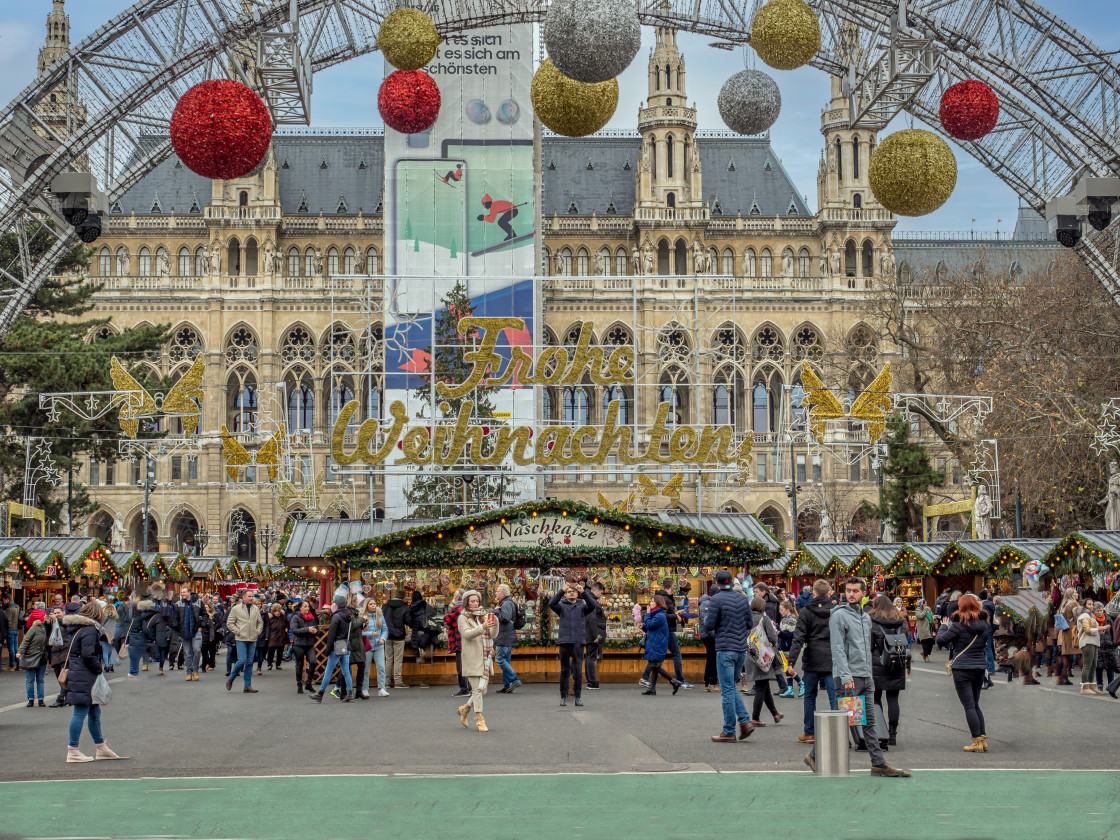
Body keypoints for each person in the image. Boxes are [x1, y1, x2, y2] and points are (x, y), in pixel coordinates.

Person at [805, 578, 910, 777]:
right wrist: (846, 676)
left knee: (868, 723)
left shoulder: (865, 618)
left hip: (865, 676)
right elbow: (837, 648)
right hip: (849, 677)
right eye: (848, 590)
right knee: (843, 722)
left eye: (855, 591)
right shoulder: (839, 616)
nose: (851, 594)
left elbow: (865, 649)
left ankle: (878, 763)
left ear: (864, 593)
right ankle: (815, 756)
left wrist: (869, 675)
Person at [63, 602, 125, 762]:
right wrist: (98, 669)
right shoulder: (90, 630)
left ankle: (100, 747)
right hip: (85, 674)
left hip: (78, 672)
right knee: (81, 711)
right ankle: (73, 749)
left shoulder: (78, 628)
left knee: (93, 711)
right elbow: (88, 654)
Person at [936, 593, 993, 752]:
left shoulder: (958, 625)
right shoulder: (984, 624)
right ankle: (983, 738)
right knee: (975, 704)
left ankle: (976, 741)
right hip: (979, 667)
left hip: (962, 667)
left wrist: (943, 627)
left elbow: (941, 641)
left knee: (968, 706)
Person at [701, 570, 754, 742]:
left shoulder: (716, 600)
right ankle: (744, 722)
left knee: (727, 690)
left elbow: (708, 625)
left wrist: (711, 615)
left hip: (725, 648)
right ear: (731, 582)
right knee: (731, 686)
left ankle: (729, 730)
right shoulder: (741, 598)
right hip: (740, 649)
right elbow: (749, 623)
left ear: (716, 584)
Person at [786, 579, 837, 745]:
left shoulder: (806, 611)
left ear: (813, 593)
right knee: (834, 696)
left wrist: (791, 661)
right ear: (829, 592)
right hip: (832, 656)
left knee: (809, 696)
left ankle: (810, 732)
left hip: (812, 656)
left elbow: (798, 638)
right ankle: (838, 731)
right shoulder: (836, 611)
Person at [869, 595, 910, 748]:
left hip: (877, 662)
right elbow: (906, 638)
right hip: (896, 661)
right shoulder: (900, 621)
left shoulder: (872, 621)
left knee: (875, 698)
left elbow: (869, 645)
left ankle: (880, 730)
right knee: (893, 699)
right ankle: (893, 733)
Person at [549, 581, 597, 706]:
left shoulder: (582, 606)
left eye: (574, 591)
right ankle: (563, 696)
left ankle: (578, 697)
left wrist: (584, 592)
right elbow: (551, 603)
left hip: (578, 642)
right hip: (564, 641)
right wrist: (561, 590)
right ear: (565, 594)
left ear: (577, 594)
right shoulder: (561, 606)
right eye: (569, 591)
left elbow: (594, 605)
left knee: (577, 672)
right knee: (564, 671)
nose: (571, 593)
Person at [457, 589, 497, 732]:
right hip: (472, 658)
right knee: (478, 690)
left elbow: (492, 634)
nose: (475, 604)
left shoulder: (483, 616)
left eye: (477, 601)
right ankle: (480, 720)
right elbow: (467, 634)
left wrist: (494, 622)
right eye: (472, 601)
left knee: (482, 691)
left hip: (485, 658)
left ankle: (465, 709)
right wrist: (482, 627)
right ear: (466, 602)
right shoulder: (462, 617)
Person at [742, 597, 784, 726]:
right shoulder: (764, 619)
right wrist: (775, 635)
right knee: (761, 687)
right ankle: (755, 717)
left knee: (763, 685)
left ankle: (775, 714)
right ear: (762, 607)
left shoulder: (745, 619)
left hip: (751, 655)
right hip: (763, 656)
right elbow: (772, 637)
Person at [310, 594, 354, 703]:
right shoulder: (349, 616)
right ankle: (350, 693)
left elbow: (332, 634)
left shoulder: (336, 616)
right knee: (346, 671)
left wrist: (327, 649)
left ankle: (320, 694)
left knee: (328, 671)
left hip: (337, 646)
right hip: (346, 645)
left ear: (337, 604)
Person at [640, 595, 683, 696]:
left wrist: (647, 614)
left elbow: (650, 625)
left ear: (657, 603)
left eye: (652, 601)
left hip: (657, 643)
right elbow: (650, 628)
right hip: (655, 642)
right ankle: (652, 688)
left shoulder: (659, 615)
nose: (650, 603)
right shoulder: (656, 614)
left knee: (655, 666)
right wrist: (643, 626)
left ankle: (674, 681)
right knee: (654, 665)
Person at [650, 577, 689, 688]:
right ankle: (680, 680)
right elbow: (663, 615)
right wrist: (676, 615)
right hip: (668, 630)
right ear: (672, 586)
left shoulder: (660, 597)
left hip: (663, 630)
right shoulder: (665, 599)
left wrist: (675, 613)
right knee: (676, 654)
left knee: (655, 657)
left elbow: (661, 614)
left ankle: (646, 679)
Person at [225, 589, 263, 693]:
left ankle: (247, 685)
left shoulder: (255, 608)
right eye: (249, 596)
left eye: (252, 596)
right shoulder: (236, 609)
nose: (251, 598)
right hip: (241, 638)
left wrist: (257, 632)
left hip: (252, 638)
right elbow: (230, 623)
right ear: (243, 597)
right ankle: (231, 678)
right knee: (241, 660)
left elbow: (260, 622)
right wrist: (237, 631)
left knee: (249, 662)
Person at [173, 585, 208, 682]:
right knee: (187, 653)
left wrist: (201, 626)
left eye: (184, 592)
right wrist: (178, 630)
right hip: (184, 632)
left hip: (196, 630)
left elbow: (204, 615)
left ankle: (195, 670)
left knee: (197, 650)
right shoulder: (178, 604)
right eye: (181, 592)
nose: (182, 594)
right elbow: (175, 619)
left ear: (189, 592)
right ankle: (189, 672)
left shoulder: (198, 602)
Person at [443, 590, 472, 698]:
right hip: (467, 640)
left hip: (459, 640)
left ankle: (464, 689)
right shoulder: (467, 608)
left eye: (454, 595)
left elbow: (448, 620)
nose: (453, 597)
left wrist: (446, 616)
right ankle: (469, 687)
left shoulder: (457, 609)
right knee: (467, 665)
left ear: (459, 597)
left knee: (461, 667)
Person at [17, 609, 48, 706]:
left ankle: (40, 699)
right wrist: (20, 652)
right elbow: (26, 640)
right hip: (31, 656)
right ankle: (31, 699)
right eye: (45, 616)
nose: (46, 617)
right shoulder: (34, 628)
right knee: (30, 679)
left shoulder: (47, 627)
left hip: (42, 657)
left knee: (40, 679)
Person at [494, 584, 521, 694]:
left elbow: (505, 617)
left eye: (498, 591)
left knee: (499, 659)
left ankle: (514, 680)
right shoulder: (507, 603)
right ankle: (507, 685)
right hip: (507, 636)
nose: (496, 593)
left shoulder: (506, 603)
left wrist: (495, 611)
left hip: (504, 637)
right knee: (505, 661)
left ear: (503, 594)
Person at [46, 605, 75, 707]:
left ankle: (60, 698)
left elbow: (65, 624)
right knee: (59, 677)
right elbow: (47, 636)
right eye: (55, 613)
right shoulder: (53, 623)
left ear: (63, 613)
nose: (57, 615)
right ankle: (68, 697)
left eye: (58, 612)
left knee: (64, 676)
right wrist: (47, 623)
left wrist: (57, 620)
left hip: (65, 651)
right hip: (55, 652)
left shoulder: (66, 621)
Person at [289, 600, 319, 694]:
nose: (307, 608)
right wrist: (307, 629)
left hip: (309, 643)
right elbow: (294, 630)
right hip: (299, 644)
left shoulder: (312, 617)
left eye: (308, 606)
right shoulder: (295, 617)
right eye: (305, 606)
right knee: (299, 665)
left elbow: (317, 629)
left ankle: (308, 683)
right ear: (300, 608)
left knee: (313, 662)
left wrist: (316, 631)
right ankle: (299, 684)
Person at [361, 597, 389, 697]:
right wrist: (370, 633)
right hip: (367, 646)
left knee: (381, 667)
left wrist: (383, 638)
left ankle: (382, 688)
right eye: (371, 604)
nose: (373, 606)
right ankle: (364, 689)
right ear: (366, 605)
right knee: (366, 669)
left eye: (374, 604)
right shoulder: (362, 616)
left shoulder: (380, 616)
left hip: (379, 646)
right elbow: (359, 631)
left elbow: (385, 629)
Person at [408, 590, 436, 688]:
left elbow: (409, 620)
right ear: (421, 597)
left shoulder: (411, 607)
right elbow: (434, 614)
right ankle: (427, 679)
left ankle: (419, 678)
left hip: (416, 632)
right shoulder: (425, 605)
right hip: (426, 632)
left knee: (417, 654)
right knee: (427, 654)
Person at [384, 589, 410, 689]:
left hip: (388, 635)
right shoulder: (404, 607)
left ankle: (386, 682)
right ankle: (398, 681)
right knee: (398, 659)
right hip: (399, 636)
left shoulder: (385, 606)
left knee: (388, 659)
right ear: (403, 597)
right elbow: (408, 621)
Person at [584, 582, 607, 690]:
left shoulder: (590, 599)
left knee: (589, 656)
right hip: (593, 633)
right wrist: (596, 635)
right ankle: (592, 682)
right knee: (591, 657)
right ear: (596, 590)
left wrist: (603, 616)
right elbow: (591, 619)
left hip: (590, 633)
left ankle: (590, 681)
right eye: (601, 593)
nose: (601, 595)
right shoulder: (592, 601)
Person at [1076, 601, 1103, 694]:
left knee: (1093, 665)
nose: (1091, 606)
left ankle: (1092, 685)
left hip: (1094, 642)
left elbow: (1094, 630)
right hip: (1087, 642)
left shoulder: (1091, 617)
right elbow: (1087, 630)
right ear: (1084, 606)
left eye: (1092, 604)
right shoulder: (1084, 616)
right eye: (1089, 604)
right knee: (1087, 665)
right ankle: (1084, 687)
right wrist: (1099, 629)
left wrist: (1101, 630)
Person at [776, 601, 801, 697]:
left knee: (788, 668)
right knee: (787, 669)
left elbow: (790, 636)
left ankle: (801, 682)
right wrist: (778, 627)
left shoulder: (792, 620)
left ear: (787, 609)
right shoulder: (784, 619)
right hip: (784, 647)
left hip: (789, 647)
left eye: (781, 609)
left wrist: (778, 632)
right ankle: (790, 689)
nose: (780, 612)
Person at [1056, 588, 1080, 686]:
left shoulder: (1063, 605)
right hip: (1073, 631)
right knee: (1080, 652)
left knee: (1066, 654)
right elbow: (1078, 617)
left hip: (1065, 631)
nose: (1077, 594)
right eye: (1075, 592)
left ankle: (1063, 676)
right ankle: (1087, 679)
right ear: (1071, 594)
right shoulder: (1073, 604)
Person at [698, 585, 718, 691]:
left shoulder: (706, 602)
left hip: (709, 634)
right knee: (713, 657)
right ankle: (711, 682)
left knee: (711, 657)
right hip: (709, 634)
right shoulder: (707, 604)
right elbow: (707, 621)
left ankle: (708, 682)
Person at [1094, 603, 1117, 693]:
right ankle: (1099, 684)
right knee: (1098, 667)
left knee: (1110, 667)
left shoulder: (1108, 619)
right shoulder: (1093, 620)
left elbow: (1113, 632)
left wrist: (1113, 643)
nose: (1100, 612)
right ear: (1094, 611)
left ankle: (1111, 685)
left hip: (1108, 646)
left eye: (1101, 610)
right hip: (1098, 646)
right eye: (1098, 611)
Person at [266, 603, 288, 671]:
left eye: (280, 610)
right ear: (274, 612)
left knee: (280, 652)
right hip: (273, 636)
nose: (279, 612)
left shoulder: (283, 617)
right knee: (271, 651)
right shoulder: (270, 618)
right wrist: (267, 636)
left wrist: (287, 627)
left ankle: (278, 664)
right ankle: (269, 664)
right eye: (278, 611)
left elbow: (287, 623)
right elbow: (267, 627)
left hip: (281, 636)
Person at [3, 594, 20, 671]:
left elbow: (8, 620)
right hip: (16, 629)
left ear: (7, 599)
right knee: (16, 647)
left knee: (11, 648)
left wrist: (5, 629)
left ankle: (11, 665)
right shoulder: (17, 606)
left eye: (4, 600)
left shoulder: (9, 608)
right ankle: (18, 664)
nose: (3, 602)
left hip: (10, 630)